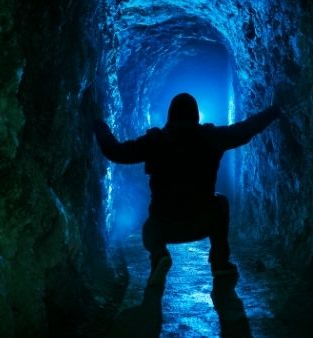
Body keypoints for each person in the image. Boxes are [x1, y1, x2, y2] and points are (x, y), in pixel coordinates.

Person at [94, 92, 281, 286]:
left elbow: (115, 152)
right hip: (201, 224)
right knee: (221, 202)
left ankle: (159, 256)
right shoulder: (211, 138)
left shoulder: (155, 141)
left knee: (148, 228)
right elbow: (246, 129)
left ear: (170, 115)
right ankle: (220, 263)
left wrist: (99, 124)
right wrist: (275, 110)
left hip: (164, 227)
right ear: (196, 116)